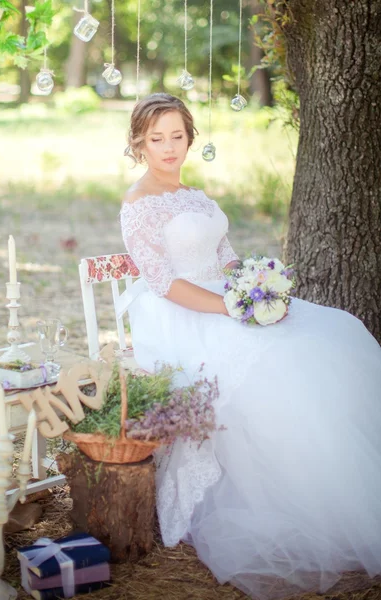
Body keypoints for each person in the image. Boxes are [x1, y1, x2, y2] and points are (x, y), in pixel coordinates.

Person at [119, 93, 381, 600]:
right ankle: (303, 490)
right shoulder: (138, 204)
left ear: (189, 137)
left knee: (336, 329)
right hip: (182, 311)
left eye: (178, 136)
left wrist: (259, 286)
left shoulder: (193, 195)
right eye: (157, 139)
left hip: (222, 296)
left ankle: (332, 486)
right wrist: (231, 309)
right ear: (139, 143)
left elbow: (227, 257)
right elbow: (162, 283)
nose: (169, 148)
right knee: (282, 358)